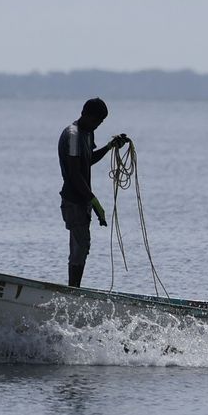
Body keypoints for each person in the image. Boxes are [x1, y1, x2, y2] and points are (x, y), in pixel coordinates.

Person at [58, 97, 128, 288]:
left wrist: (110, 146)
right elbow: (74, 173)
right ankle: (73, 291)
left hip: (83, 199)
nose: (97, 125)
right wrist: (94, 201)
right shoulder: (73, 135)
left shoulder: (88, 134)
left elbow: (87, 160)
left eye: (101, 122)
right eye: (96, 120)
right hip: (73, 200)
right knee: (79, 246)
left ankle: (74, 289)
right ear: (85, 114)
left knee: (83, 246)